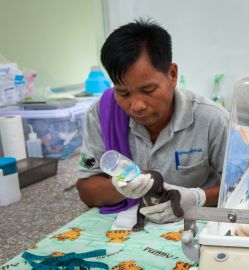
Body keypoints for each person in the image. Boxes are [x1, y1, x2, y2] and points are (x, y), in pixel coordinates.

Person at [76, 19, 229, 224]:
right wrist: (120, 187)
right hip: (129, 231)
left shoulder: (212, 119)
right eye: (123, 93)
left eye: (148, 90)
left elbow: (243, 189)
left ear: (172, 75)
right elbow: (87, 190)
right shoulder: (101, 115)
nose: (137, 105)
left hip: (193, 229)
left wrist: (197, 198)